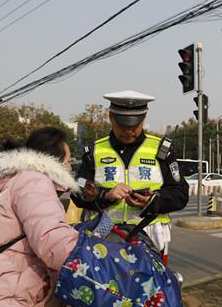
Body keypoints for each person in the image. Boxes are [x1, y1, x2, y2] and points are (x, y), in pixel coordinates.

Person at [0, 127, 79, 307]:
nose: (70, 168)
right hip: (5, 300)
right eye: (68, 162)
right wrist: (96, 264)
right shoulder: (34, 181)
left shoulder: (21, 181)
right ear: (53, 162)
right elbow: (51, 239)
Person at [71, 90, 189, 259]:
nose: (128, 131)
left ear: (144, 119)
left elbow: (180, 193)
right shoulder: (94, 152)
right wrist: (105, 195)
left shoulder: (161, 150)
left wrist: (154, 200)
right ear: (111, 117)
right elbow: (78, 187)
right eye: (122, 125)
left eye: (134, 125)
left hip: (150, 235)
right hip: (103, 235)